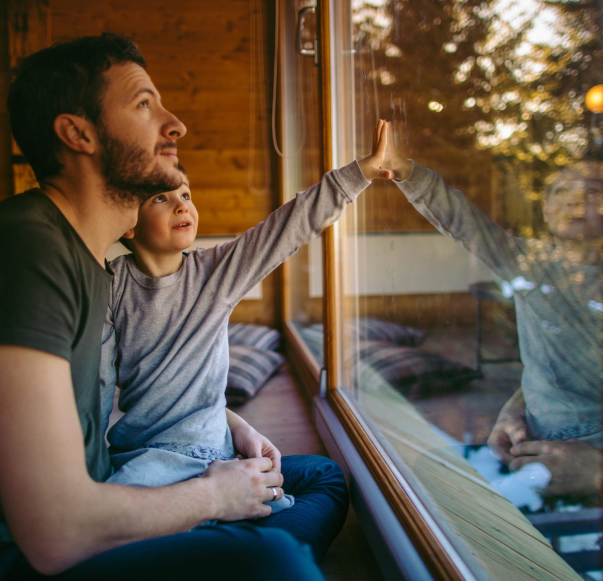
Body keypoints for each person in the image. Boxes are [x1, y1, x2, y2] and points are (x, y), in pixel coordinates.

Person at [0, 32, 391, 580]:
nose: (175, 123)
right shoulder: (30, 248)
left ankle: (236, 538)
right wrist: (211, 497)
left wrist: (227, 425)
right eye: (143, 104)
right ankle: (242, 542)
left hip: (117, 482)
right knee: (278, 560)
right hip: (76, 533)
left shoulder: (82, 259)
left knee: (318, 475)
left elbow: (285, 229)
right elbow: (55, 532)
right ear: (78, 134)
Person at [98, 146, 387, 554]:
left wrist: (361, 173)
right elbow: (95, 389)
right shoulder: (109, 288)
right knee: (108, 528)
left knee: (326, 475)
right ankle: (230, 548)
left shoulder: (215, 272)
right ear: (128, 222)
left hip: (214, 455)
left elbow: (287, 228)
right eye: (162, 197)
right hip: (149, 462)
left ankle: (223, 546)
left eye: (185, 194)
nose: (182, 205)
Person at [386, 132, 603, 497]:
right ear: (546, 210)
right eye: (561, 192)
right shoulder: (528, 262)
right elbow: (463, 221)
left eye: (593, 191)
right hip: (532, 442)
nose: (575, 200)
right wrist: (405, 171)